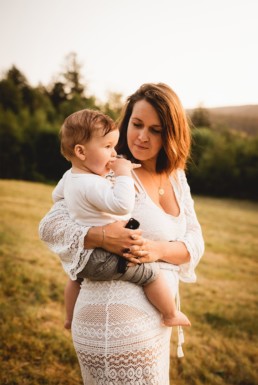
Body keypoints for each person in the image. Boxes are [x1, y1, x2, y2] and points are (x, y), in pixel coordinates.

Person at [39, 82, 204, 385]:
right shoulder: (107, 172)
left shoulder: (177, 178)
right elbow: (50, 227)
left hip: (154, 327)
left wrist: (157, 250)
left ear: (172, 133)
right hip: (114, 322)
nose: (142, 136)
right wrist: (100, 237)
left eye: (155, 130)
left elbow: (194, 241)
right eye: (137, 124)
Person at [53, 108, 191, 329]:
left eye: (155, 130)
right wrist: (123, 174)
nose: (114, 153)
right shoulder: (94, 182)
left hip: (86, 258)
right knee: (150, 274)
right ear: (81, 151)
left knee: (75, 278)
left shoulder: (70, 177)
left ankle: (69, 318)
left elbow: (56, 196)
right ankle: (170, 313)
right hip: (102, 257)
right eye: (108, 147)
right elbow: (122, 205)